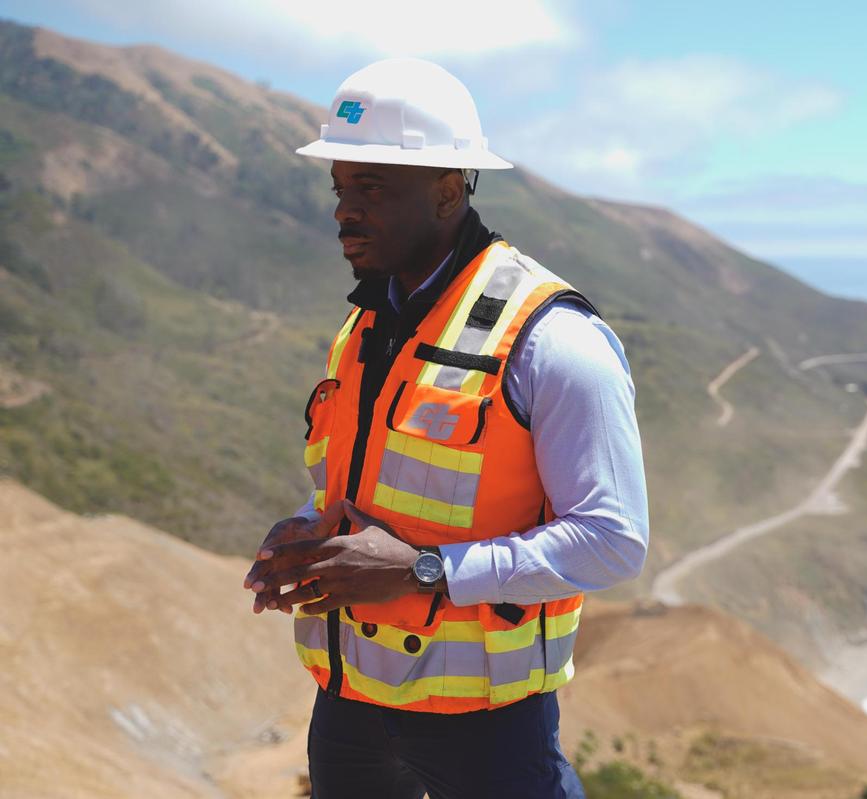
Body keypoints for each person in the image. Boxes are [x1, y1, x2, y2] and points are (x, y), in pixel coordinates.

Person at [242, 58, 649, 798]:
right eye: (340, 186)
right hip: (348, 711)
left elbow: (613, 539)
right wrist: (309, 531)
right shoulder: (365, 326)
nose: (343, 210)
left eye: (371, 186)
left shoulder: (551, 341)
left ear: (448, 191)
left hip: (488, 731)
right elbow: (372, 492)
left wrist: (425, 569)